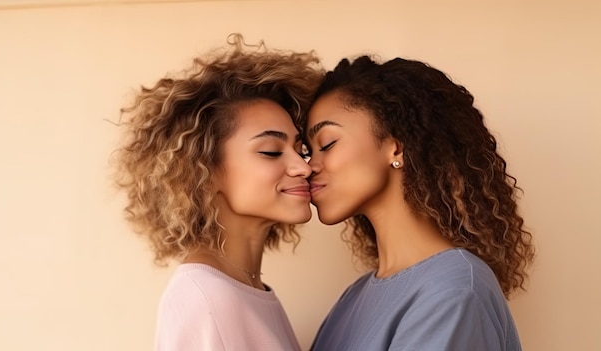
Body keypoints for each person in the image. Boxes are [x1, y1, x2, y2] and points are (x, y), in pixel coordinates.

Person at [303, 56, 535, 350]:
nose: (310, 166)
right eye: (309, 151)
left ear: (396, 147)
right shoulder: (356, 297)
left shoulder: (454, 292)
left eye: (326, 144)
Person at [113, 34, 323, 351]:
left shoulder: (245, 290)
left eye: (300, 148)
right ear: (204, 173)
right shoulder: (207, 298)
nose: (303, 167)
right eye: (270, 151)